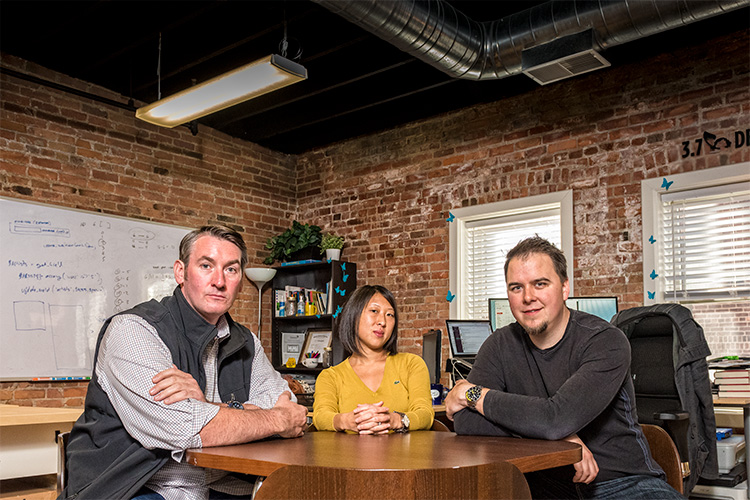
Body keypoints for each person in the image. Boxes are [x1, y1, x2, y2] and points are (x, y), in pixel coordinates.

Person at [60, 225, 308, 500]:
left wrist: (208, 406)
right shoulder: (134, 330)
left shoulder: (245, 341)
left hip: (222, 485)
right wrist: (274, 419)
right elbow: (185, 428)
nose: (219, 281)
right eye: (206, 265)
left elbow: (288, 406)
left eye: (231, 269)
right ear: (180, 272)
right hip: (136, 488)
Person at [444, 236, 684, 499]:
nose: (528, 297)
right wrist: (558, 440)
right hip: (544, 486)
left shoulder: (606, 341)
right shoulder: (499, 344)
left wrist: (472, 394)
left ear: (564, 288)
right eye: (516, 287)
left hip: (622, 484)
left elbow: (555, 420)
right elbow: (466, 422)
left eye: (540, 284)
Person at [312, 285, 434, 434]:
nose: (382, 321)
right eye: (374, 311)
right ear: (353, 316)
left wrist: (396, 420)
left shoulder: (411, 364)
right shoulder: (330, 377)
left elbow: (426, 414)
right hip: (347, 456)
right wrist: (349, 421)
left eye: (390, 315)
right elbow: (321, 417)